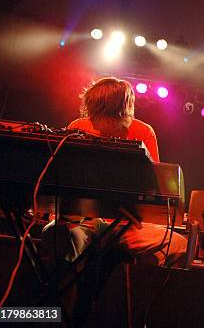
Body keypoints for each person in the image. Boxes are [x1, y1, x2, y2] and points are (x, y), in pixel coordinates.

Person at [43, 77, 187, 267]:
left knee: (179, 245)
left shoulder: (143, 132)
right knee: (56, 234)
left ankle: (128, 293)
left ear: (120, 109)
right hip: (81, 222)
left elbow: (151, 192)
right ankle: (65, 296)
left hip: (124, 226)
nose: (92, 117)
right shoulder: (77, 127)